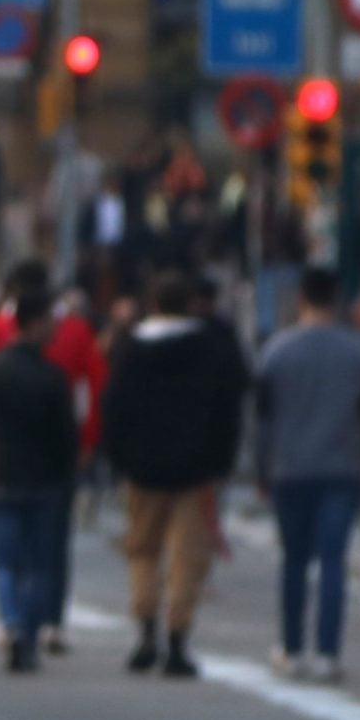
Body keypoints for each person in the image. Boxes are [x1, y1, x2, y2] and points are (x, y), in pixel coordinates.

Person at [101, 270, 246, 678]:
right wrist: (221, 461)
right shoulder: (210, 347)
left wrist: (118, 458)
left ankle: (146, 629)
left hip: (142, 468)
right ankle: (178, 638)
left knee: (142, 550)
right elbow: (227, 410)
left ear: (153, 304)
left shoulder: (131, 347)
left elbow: (114, 407)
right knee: (188, 557)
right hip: (196, 469)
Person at [0, 261, 105, 654]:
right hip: (51, 465)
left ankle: (11, 620)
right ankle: (49, 622)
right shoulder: (76, 334)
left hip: (0, 463)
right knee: (49, 553)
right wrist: (85, 446)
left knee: (7, 555)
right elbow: (92, 389)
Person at [0, 293, 80, 672]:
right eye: (49, 322)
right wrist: (68, 471)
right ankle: (27, 633)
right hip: (44, 478)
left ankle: (11, 621)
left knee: (5, 560)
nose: (55, 330)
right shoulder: (51, 376)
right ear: (33, 324)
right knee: (38, 565)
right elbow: (66, 434)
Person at [256, 266, 360, 682]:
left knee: (294, 560)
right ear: (336, 299)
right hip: (343, 468)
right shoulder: (355, 353)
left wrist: (264, 466)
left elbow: (263, 418)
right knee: (333, 560)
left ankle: (291, 646)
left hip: (289, 467)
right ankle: (328, 652)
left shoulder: (277, 351)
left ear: (300, 298)